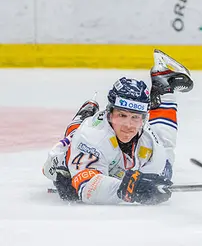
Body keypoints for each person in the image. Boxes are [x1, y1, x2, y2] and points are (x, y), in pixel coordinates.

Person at [42, 49, 193, 205]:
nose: (128, 125)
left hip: (115, 160)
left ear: (143, 119)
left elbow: (160, 174)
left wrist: (147, 183)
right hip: (65, 163)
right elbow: (87, 187)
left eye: (135, 117)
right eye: (122, 115)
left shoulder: (147, 138)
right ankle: (84, 115)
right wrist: (130, 189)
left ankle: (164, 88)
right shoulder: (91, 137)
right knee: (69, 190)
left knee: (165, 159)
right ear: (110, 113)